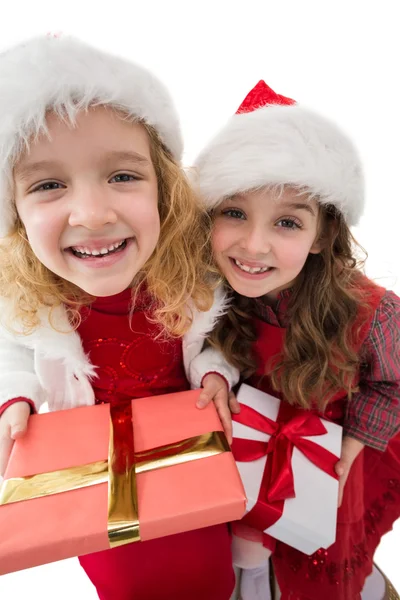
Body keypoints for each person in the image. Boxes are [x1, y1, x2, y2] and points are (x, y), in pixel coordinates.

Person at [0, 34, 236, 600]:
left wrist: (214, 372)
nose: (92, 213)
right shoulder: (25, 295)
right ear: (15, 213)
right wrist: (16, 398)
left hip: (188, 455)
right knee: (126, 576)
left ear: (165, 190)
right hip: (92, 468)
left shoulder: (190, 274)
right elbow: (13, 352)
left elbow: (217, 334)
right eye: (49, 185)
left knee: (207, 564)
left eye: (122, 176)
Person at [189, 80, 400, 600]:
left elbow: (393, 384)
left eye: (286, 222)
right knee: (251, 540)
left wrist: (354, 444)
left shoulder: (372, 313)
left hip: (328, 451)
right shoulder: (208, 292)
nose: (253, 245)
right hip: (251, 446)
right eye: (234, 212)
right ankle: (255, 579)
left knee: (320, 551)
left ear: (323, 235)